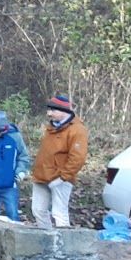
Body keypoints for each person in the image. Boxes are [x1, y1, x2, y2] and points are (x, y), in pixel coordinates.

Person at [31, 94, 88, 230]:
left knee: (59, 214)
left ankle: (64, 248)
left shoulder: (77, 130)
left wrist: (63, 178)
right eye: (49, 110)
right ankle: (46, 242)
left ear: (64, 112)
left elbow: (78, 158)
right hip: (41, 176)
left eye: (53, 110)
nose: (49, 113)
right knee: (38, 211)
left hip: (60, 179)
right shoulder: (51, 127)